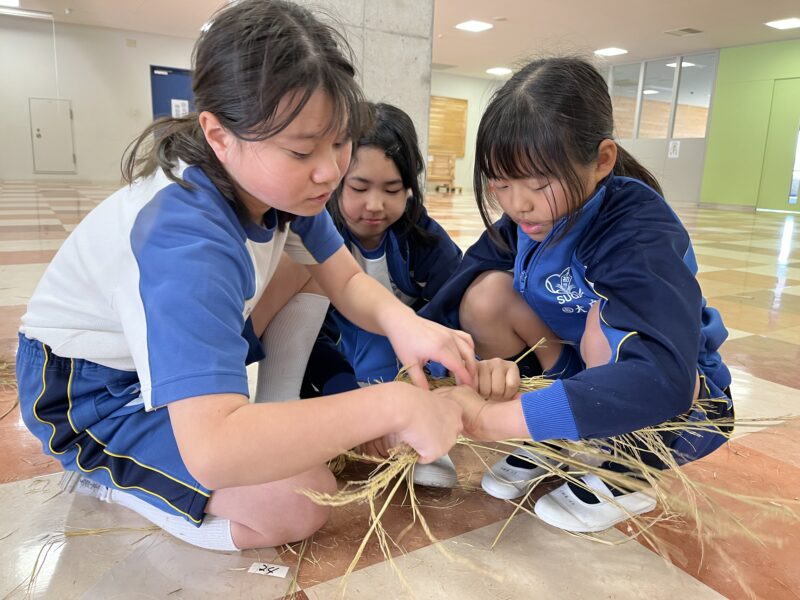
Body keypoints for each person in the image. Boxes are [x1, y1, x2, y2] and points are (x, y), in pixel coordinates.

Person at [15, 0, 479, 553]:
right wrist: (394, 405)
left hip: (154, 365)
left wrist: (406, 324)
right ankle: (116, 473)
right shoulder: (186, 239)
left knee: (303, 275)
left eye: (339, 142)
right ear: (218, 134)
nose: (331, 170)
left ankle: (265, 414)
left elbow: (344, 279)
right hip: (93, 393)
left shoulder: (285, 189)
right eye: (303, 150)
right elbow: (213, 448)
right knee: (299, 501)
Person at [425, 56, 734, 533]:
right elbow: (454, 292)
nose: (517, 203)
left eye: (539, 183)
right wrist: (419, 372)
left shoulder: (637, 231)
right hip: (581, 368)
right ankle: (554, 430)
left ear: (602, 161)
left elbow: (661, 375)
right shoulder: (529, 221)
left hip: (682, 400)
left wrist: (491, 420)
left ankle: (626, 468)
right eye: (501, 184)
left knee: (602, 326)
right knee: (485, 294)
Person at [298, 102, 464, 487]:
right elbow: (306, 337)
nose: (375, 205)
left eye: (392, 189)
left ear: (410, 187)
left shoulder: (419, 237)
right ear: (335, 177)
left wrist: (435, 375)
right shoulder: (313, 233)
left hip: (405, 369)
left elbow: (451, 301)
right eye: (358, 187)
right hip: (335, 365)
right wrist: (344, 395)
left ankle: (417, 429)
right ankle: (356, 421)